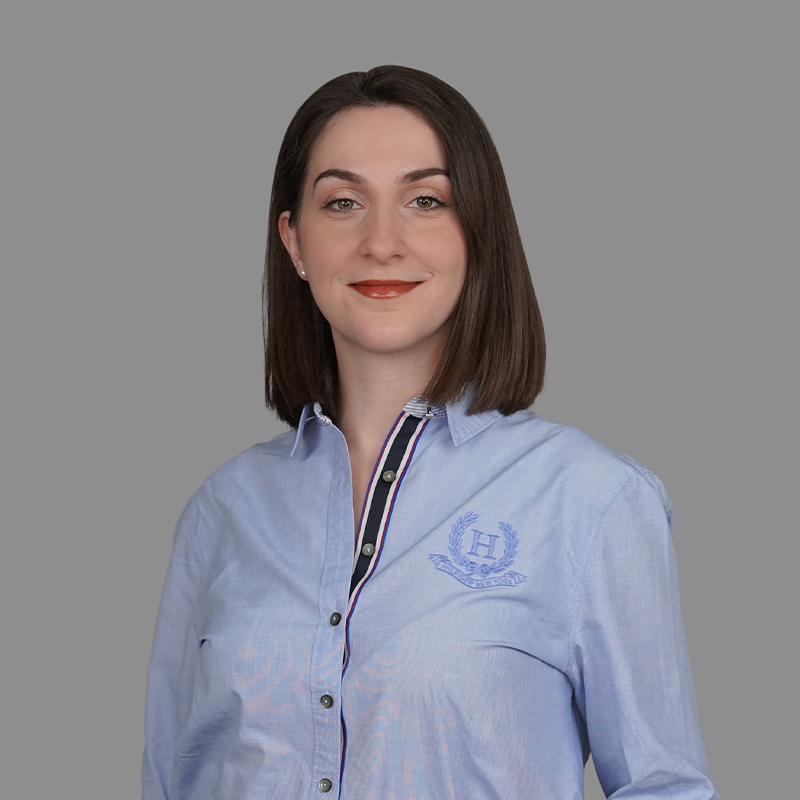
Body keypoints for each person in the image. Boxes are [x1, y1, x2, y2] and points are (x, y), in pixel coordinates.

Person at [142, 65, 720, 799]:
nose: (382, 242)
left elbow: (664, 788)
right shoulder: (221, 510)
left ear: (478, 233)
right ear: (294, 242)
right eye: (343, 202)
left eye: (425, 200)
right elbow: (166, 780)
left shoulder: (590, 498)